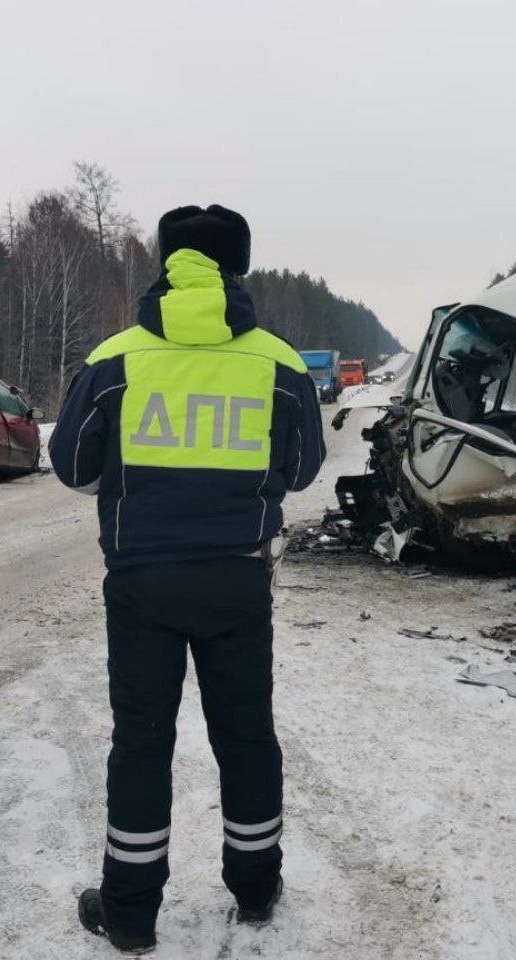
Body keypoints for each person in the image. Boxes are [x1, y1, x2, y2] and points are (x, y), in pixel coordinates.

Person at [48, 204, 326, 954]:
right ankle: (257, 887)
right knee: (246, 736)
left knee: (141, 744)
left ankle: (131, 912)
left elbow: (72, 466)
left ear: (165, 264)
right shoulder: (280, 362)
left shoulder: (117, 357)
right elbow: (302, 471)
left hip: (142, 584)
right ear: (239, 268)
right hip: (237, 581)